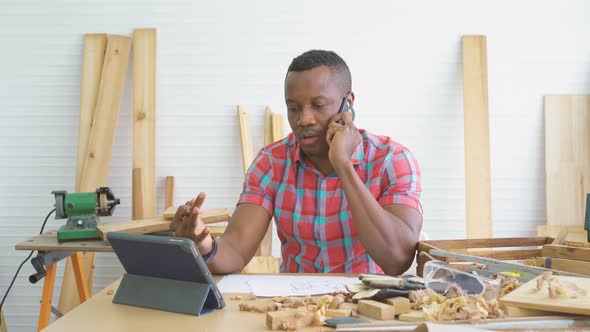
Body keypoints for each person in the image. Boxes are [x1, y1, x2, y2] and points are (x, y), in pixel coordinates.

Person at [171, 50, 422, 276]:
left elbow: (397, 260)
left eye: (318, 105)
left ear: (348, 104)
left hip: (369, 308)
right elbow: (235, 250)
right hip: (296, 307)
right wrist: (203, 245)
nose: (304, 119)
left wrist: (343, 164)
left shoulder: (391, 160)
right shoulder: (272, 162)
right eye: (293, 108)